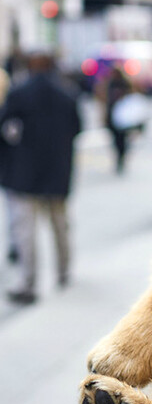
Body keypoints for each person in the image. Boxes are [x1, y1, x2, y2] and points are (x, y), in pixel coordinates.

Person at [0, 50, 82, 305]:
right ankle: (64, 271)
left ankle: (29, 282)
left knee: (26, 232)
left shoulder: (19, 94)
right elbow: (77, 129)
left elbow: (4, 130)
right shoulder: (67, 94)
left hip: (24, 176)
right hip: (57, 173)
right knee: (59, 225)